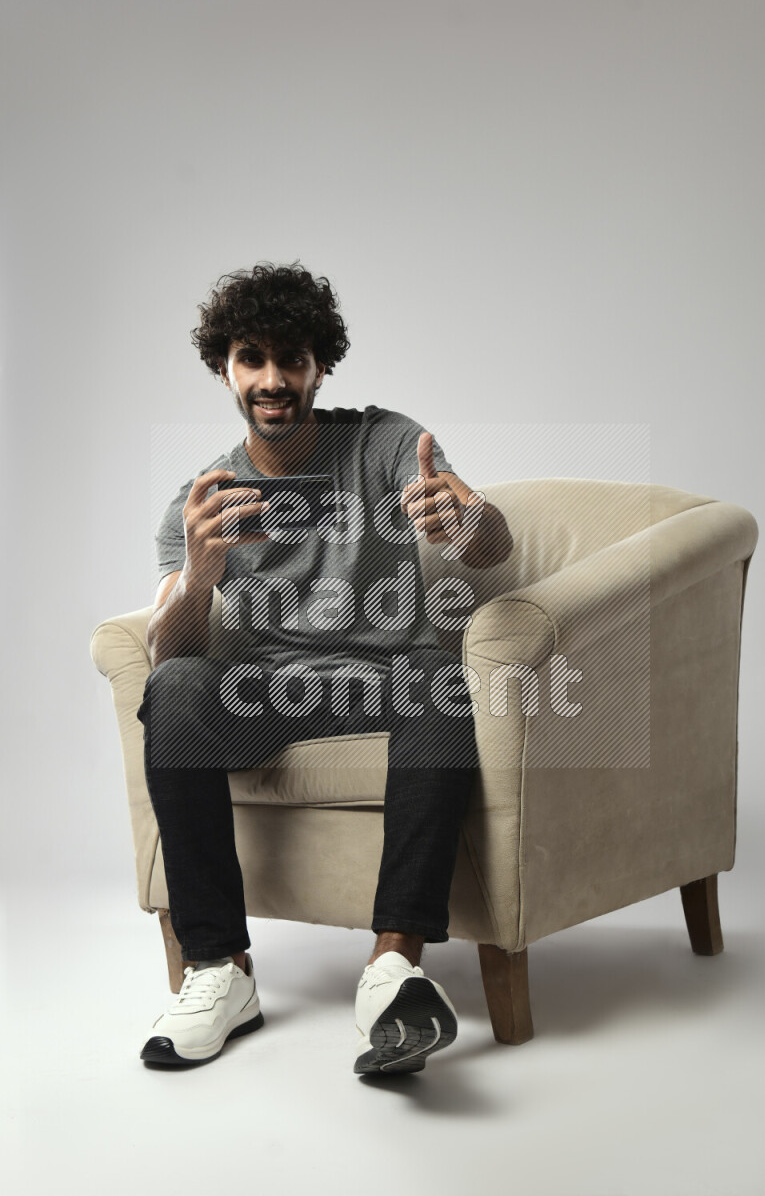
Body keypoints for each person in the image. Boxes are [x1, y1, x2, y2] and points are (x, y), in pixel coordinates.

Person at [136, 262, 514, 1073]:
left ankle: (393, 968)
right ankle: (219, 969)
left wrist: (467, 521)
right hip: (269, 690)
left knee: (443, 680)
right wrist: (200, 574)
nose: (273, 378)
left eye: (292, 358)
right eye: (252, 358)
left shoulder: (385, 442)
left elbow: (489, 546)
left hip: (386, 678)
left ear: (319, 366)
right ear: (226, 369)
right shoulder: (200, 501)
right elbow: (171, 654)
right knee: (173, 688)